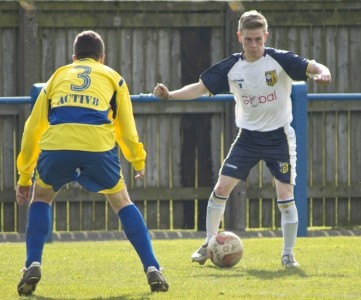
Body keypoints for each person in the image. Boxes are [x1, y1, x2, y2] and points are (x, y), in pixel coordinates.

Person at [153, 10, 331, 268]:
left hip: (279, 138)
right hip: (247, 139)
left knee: (285, 197)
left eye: (258, 39)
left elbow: (314, 67)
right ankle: (207, 244)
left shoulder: (280, 60)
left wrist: (322, 73)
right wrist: (170, 95)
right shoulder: (231, 67)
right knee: (221, 189)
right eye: (248, 39)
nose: (254, 45)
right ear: (239, 37)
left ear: (265, 36)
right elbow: (200, 88)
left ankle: (288, 255)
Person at [16, 30, 169, 296]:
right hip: (97, 147)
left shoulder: (57, 76)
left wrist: (24, 176)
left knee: (41, 198)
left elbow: (33, 128)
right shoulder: (113, 77)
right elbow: (126, 129)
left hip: (57, 146)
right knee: (122, 202)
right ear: (102, 57)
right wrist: (137, 159)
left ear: (74, 57)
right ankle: (152, 268)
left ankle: (33, 263)